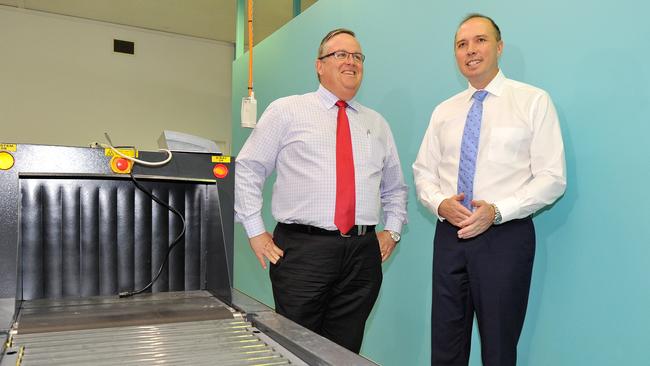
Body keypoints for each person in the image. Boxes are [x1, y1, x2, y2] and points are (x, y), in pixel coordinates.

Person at [235, 28, 408, 353]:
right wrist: (256, 231)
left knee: (345, 350)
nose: (351, 62)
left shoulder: (377, 124)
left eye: (357, 56)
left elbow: (396, 188)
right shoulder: (287, 110)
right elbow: (248, 168)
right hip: (303, 251)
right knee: (295, 347)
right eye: (341, 54)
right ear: (319, 65)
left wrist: (393, 231)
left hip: (361, 255)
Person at [413, 14, 566, 366]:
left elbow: (552, 177)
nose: (470, 50)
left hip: (504, 237)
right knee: (445, 345)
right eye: (461, 44)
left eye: (480, 41)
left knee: (498, 347)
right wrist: (439, 204)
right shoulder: (444, 111)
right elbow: (423, 171)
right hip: (449, 235)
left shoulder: (532, 101)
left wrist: (496, 212)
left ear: (499, 47)